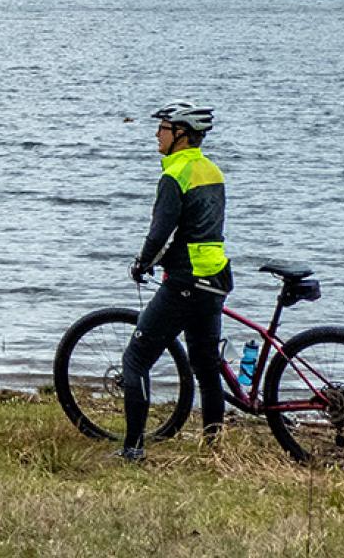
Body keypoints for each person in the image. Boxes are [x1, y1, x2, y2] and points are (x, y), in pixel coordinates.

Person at [118, 100, 233, 461]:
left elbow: (161, 232)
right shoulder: (212, 170)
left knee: (135, 360)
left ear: (181, 135)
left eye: (163, 128)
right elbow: (200, 229)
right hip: (215, 278)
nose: (157, 134)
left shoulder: (174, 175)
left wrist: (143, 262)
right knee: (206, 367)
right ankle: (212, 450)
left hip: (185, 281)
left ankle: (133, 449)